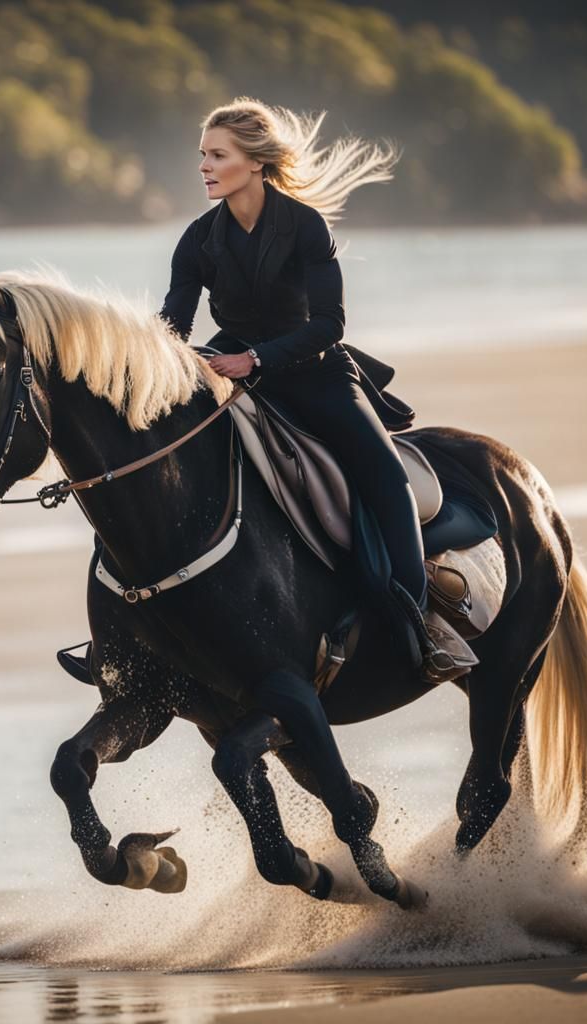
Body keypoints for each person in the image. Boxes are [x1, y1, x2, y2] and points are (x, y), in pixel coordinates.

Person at [157, 97, 478, 684]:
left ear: (254, 163)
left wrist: (252, 358)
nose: (204, 166)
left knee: (385, 476)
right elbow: (172, 325)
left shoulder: (304, 226)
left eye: (217, 155)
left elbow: (329, 325)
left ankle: (422, 621)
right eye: (201, 155)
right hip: (234, 374)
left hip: (318, 375)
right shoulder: (198, 239)